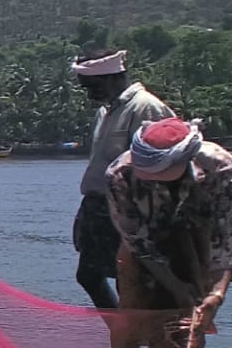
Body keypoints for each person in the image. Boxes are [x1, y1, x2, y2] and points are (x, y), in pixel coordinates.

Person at [106, 119, 232, 348]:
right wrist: (177, 290)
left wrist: (214, 294)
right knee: (130, 323)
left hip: (197, 238)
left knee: (189, 325)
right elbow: (138, 241)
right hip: (144, 245)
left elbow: (228, 235)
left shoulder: (222, 169)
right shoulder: (120, 174)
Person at [71, 49, 174, 310]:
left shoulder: (145, 108)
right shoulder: (106, 111)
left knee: (128, 279)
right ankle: (121, 337)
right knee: (89, 275)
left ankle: (129, 342)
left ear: (114, 78)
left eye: (93, 86)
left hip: (129, 209)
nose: (89, 94)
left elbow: (161, 166)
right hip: (99, 205)